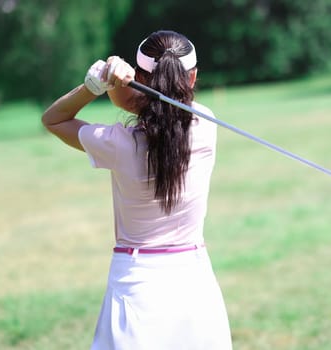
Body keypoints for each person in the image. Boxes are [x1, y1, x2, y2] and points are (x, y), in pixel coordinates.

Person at [42, 30, 232, 350]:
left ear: (143, 79)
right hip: (195, 281)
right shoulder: (207, 124)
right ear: (194, 77)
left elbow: (55, 119)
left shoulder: (116, 143)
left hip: (135, 282)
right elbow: (159, 111)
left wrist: (98, 84)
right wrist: (125, 84)